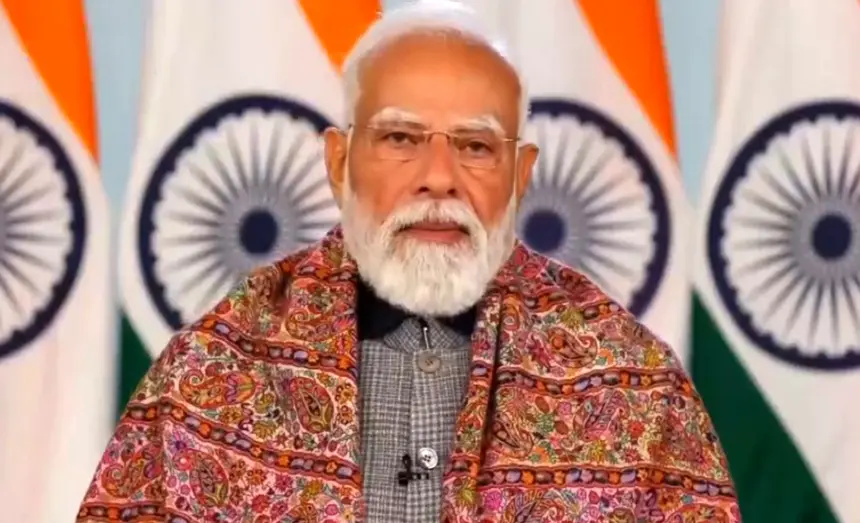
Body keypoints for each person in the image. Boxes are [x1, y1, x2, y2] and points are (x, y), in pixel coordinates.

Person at [76, 2, 740, 522]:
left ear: (521, 175)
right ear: (339, 162)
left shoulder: (632, 385)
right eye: (400, 138)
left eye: (477, 146)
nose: (439, 178)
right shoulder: (215, 371)